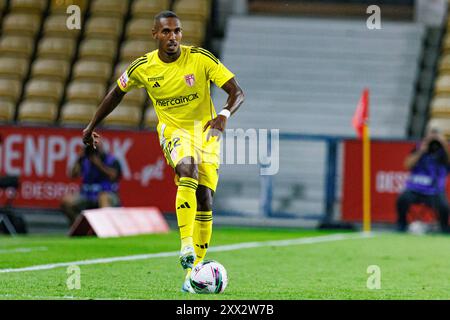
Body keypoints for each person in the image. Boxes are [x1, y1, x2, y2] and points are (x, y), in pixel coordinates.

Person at [81, 11, 244, 292]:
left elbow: (237, 92)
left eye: (177, 31)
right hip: (174, 133)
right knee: (187, 169)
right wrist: (91, 125)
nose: (173, 37)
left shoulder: (200, 58)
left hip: (206, 134)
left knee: (205, 199)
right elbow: (116, 94)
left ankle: (194, 274)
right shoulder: (143, 67)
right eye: (167, 32)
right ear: (155, 34)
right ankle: (185, 246)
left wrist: (225, 114)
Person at [396, 126, 450, 233]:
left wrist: (443, 144)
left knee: (444, 206)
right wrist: (421, 150)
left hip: (435, 191)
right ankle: (401, 225)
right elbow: (407, 165)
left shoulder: (444, 152)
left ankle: (444, 229)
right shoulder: (419, 148)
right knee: (402, 199)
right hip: (415, 188)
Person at [61, 144, 122, 225]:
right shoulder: (85, 160)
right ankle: (81, 227)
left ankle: (103, 229)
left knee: (103, 198)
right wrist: (79, 158)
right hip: (87, 195)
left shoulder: (111, 160)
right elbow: (73, 175)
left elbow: (114, 176)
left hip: (107, 194)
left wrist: (98, 164)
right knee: (66, 201)